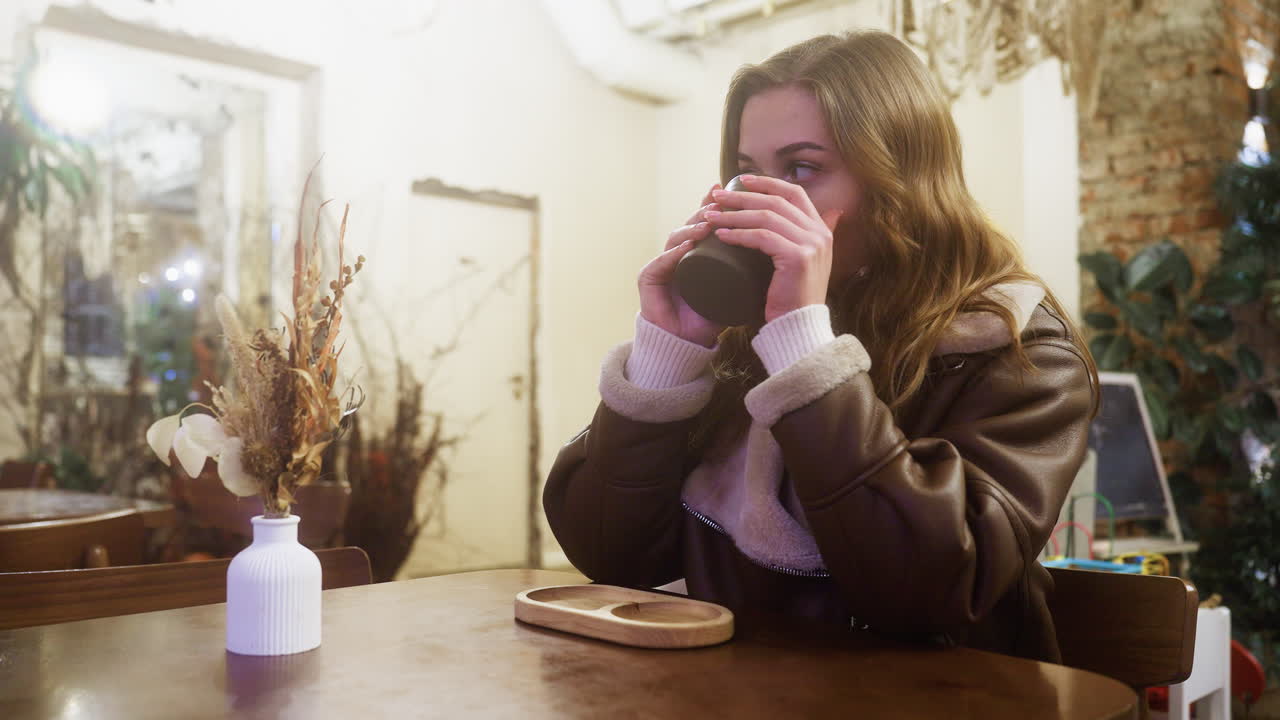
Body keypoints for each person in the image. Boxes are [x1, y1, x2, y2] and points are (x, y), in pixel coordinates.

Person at [543, 30, 1098, 662]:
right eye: (748, 172)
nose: (759, 201)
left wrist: (807, 355)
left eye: (802, 169)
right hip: (745, 692)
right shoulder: (745, 339)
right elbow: (612, 555)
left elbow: (928, 589)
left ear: (900, 183)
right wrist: (668, 355)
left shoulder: (1019, 350)